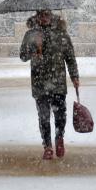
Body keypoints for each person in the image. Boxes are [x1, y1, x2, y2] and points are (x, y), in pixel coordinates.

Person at [20, 9, 79, 160]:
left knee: (60, 115)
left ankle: (59, 138)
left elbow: (70, 57)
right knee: (44, 117)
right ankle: (47, 146)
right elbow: (23, 56)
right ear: (37, 16)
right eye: (41, 15)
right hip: (39, 82)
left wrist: (74, 76)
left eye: (47, 15)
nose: (44, 18)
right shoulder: (31, 34)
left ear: (52, 16)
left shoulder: (61, 34)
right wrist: (34, 48)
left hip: (58, 81)